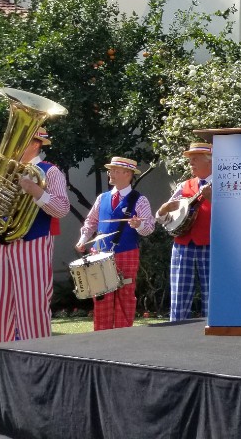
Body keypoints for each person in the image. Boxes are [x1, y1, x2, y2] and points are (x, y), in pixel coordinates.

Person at [0, 128, 70, 342]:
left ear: (36, 144)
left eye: (21, 139)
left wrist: (36, 191)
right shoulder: (4, 169)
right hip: (2, 245)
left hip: (32, 244)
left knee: (32, 306)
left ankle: (40, 358)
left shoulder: (50, 172)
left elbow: (62, 209)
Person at [76, 157, 155, 331]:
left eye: (115, 170)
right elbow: (91, 221)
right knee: (101, 297)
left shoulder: (140, 200)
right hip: (100, 254)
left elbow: (149, 228)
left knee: (125, 296)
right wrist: (83, 239)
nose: (110, 173)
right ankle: (102, 337)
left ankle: (123, 337)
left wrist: (138, 225)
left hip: (126, 252)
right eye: (110, 170)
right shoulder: (102, 198)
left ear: (128, 174)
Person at [156, 142, 213, 322]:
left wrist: (213, 198)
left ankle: (213, 331)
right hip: (182, 246)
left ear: (210, 162)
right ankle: (177, 334)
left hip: (211, 245)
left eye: (195, 159)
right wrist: (164, 209)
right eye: (190, 160)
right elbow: (164, 218)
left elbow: (232, 217)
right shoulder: (184, 186)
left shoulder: (223, 184)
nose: (191, 164)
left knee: (211, 295)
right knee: (179, 295)